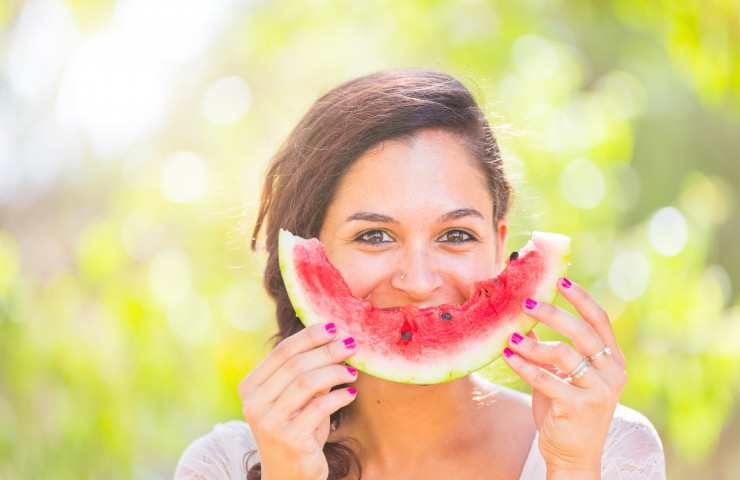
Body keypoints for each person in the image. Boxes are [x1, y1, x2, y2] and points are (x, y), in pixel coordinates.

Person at [174, 68, 666, 480]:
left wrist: (572, 469)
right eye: (374, 236)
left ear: (499, 246)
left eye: (455, 235)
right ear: (312, 253)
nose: (419, 280)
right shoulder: (225, 465)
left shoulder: (610, 449)